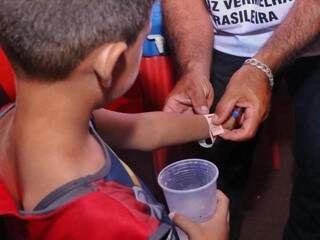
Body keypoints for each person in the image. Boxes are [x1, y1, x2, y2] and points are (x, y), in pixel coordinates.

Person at [0, 0, 231, 239]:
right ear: (112, 62)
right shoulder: (110, 222)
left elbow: (145, 130)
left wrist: (215, 124)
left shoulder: (43, 119)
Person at [162, 0, 320, 239]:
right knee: (217, 162)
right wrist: (194, 70)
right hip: (224, 45)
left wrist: (261, 67)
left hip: (314, 37)